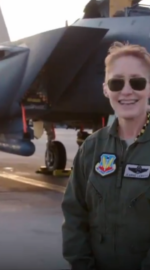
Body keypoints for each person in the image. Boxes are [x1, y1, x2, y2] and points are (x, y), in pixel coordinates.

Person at [62, 41, 150, 270]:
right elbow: (74, 216)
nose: (127, 90)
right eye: (116, 82)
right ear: (106, 89)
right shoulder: (92, 148)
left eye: (137, 82)